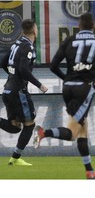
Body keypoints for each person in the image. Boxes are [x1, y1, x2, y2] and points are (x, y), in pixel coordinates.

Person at [33, 12, 95, 179]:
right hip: (84, 89)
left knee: (83, 131)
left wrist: (67, 79)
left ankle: (90, 171)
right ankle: (43, 133)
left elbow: (53, 66)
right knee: (72, 133)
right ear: (94, 26)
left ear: (78, 26)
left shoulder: (69, 40)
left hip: (68, 88)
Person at [0, 19, 48, 166]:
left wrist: (12, 76)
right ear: (34, 30)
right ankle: (15, 159)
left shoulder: (16, 43)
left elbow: (3, 62)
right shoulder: (28, 46)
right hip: (19, 92)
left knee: (15, 127)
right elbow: (23, 69)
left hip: (8, 89)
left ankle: (14, 159)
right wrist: (40, 85)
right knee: (29, 125)